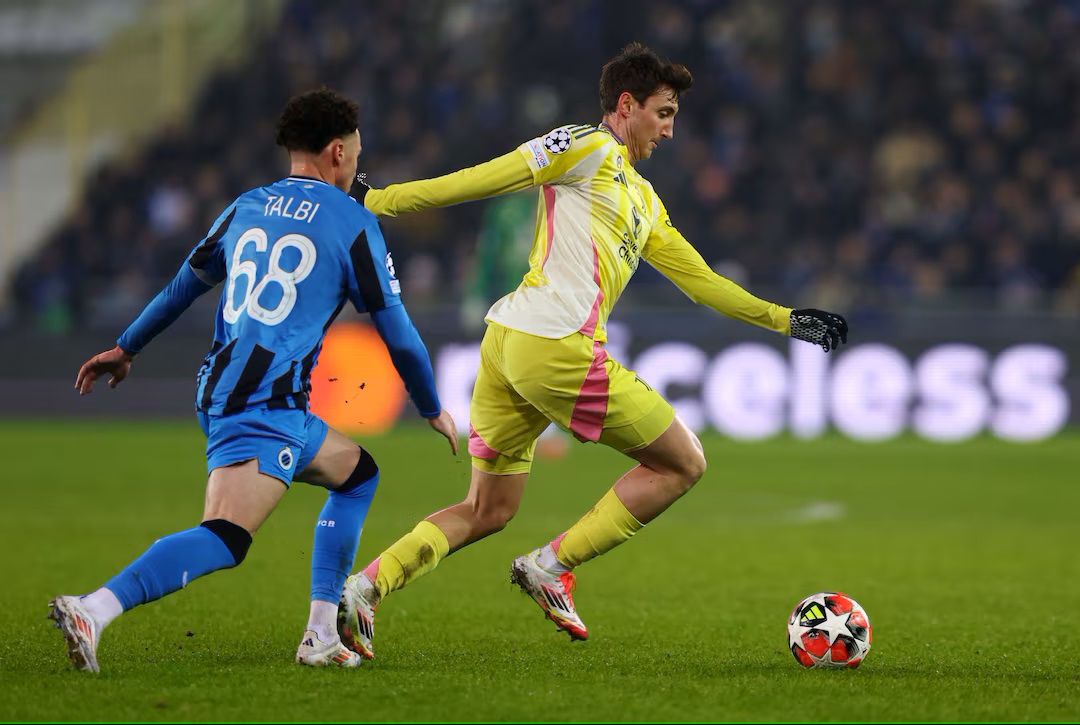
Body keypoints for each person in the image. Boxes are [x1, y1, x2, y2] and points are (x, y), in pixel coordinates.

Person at [335, 42, 848, 659]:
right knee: (683, 463)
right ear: (625, 105)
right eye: (663, 112)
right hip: (556, 344)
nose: (670, 128)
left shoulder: (643, 201)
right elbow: (488, 177)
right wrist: (378, 200)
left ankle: (367, 587)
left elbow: (702, 282)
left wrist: (786, 319)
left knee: (488, 507)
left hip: (508, 343)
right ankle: (552, 565)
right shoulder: (588, 147)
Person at [47, 87, 458, 672]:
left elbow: (182, 287)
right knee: (225, 537)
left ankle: (320, 633)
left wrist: (126, 346)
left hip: (235, 390)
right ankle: (94, 608)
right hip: (262, 402)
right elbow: (400, 335)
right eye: (357, 154)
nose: (358, 165)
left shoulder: (246, 205)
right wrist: (430, 405)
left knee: (357, 472)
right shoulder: (354, 224)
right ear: (338, 152)